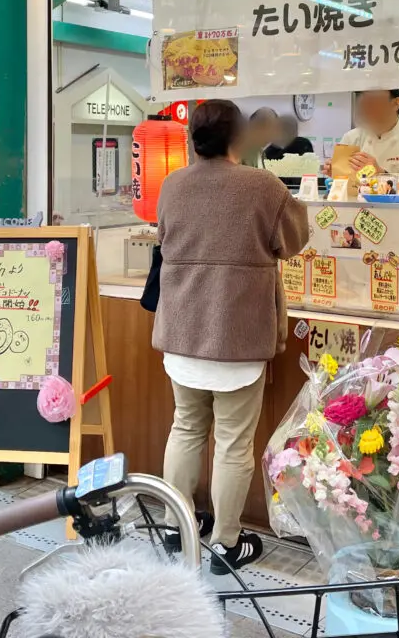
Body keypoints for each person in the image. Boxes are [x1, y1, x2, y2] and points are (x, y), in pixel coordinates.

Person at [155, 99, 310, 572]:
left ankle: (173, 524)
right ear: (238, 138)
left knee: (185, 427)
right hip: (238, 338)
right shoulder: (262, 186)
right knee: (233, 443)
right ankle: (225, 541)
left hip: (182, 330)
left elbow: (163, 238)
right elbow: (296, 241)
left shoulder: (172, 185)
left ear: (191, 139)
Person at [337, 89, 399, 178]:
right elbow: (343, 188)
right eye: (363, 100)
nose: (365, 107)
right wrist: (336, 173)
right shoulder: (351, 138)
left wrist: (381, 174)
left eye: (373, 100)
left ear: (396, 103)